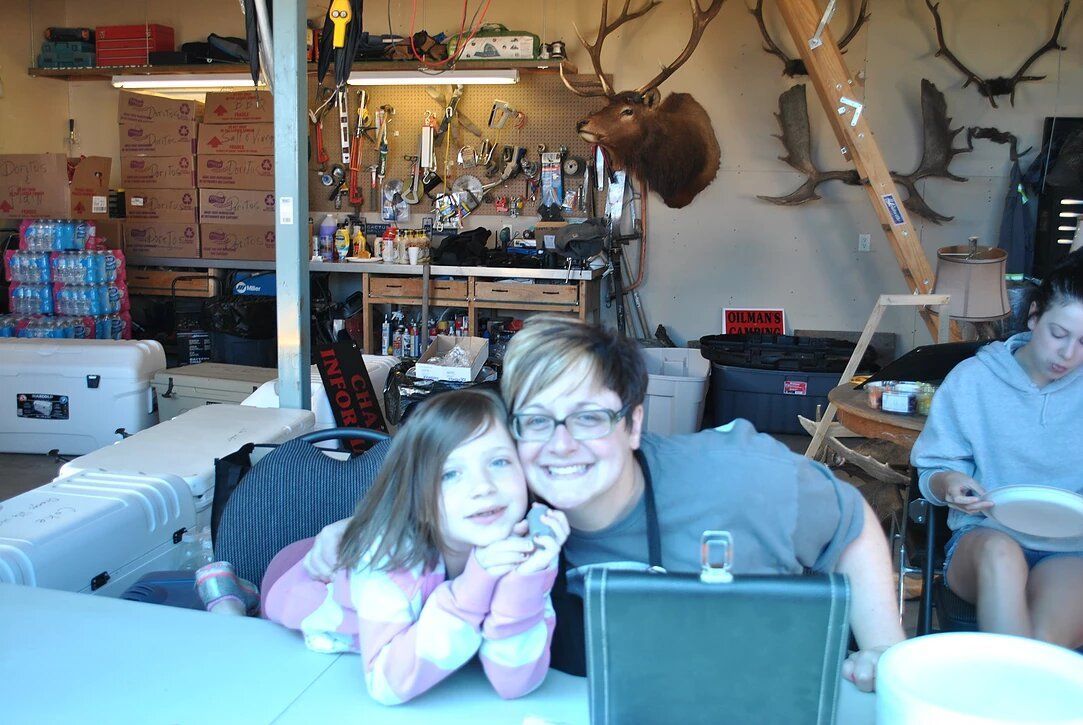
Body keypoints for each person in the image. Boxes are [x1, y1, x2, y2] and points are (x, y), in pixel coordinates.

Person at [304, 316, 904, 692]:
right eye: (537, 421)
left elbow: (849, 523)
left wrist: (883, 652)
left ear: (634, 423)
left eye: (588, 417)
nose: (561, 446)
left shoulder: (737, 479)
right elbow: (418, 522)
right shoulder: (505, 502)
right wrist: (351, 533)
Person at [263, 388, 569, 705]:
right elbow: (387, 684)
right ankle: (229, 593)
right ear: (417, 498)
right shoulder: (389, 557)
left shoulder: (526, 544)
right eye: (450, 473)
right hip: (299, 577)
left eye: (500, 462)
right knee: (254, 613)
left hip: (351, 556)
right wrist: (472, 588)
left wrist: (523, 583)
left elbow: (514, 683)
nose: (482, 487)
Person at [912, 250, 1083, 646]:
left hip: (1071, 549)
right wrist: (950, 482)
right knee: (1000, 555)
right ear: (1035, 314)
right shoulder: (973, 380)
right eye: (1059, 334)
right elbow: (932, 471)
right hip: (983, 537)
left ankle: (1006, 694)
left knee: (1035, 647)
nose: (1068, 354)